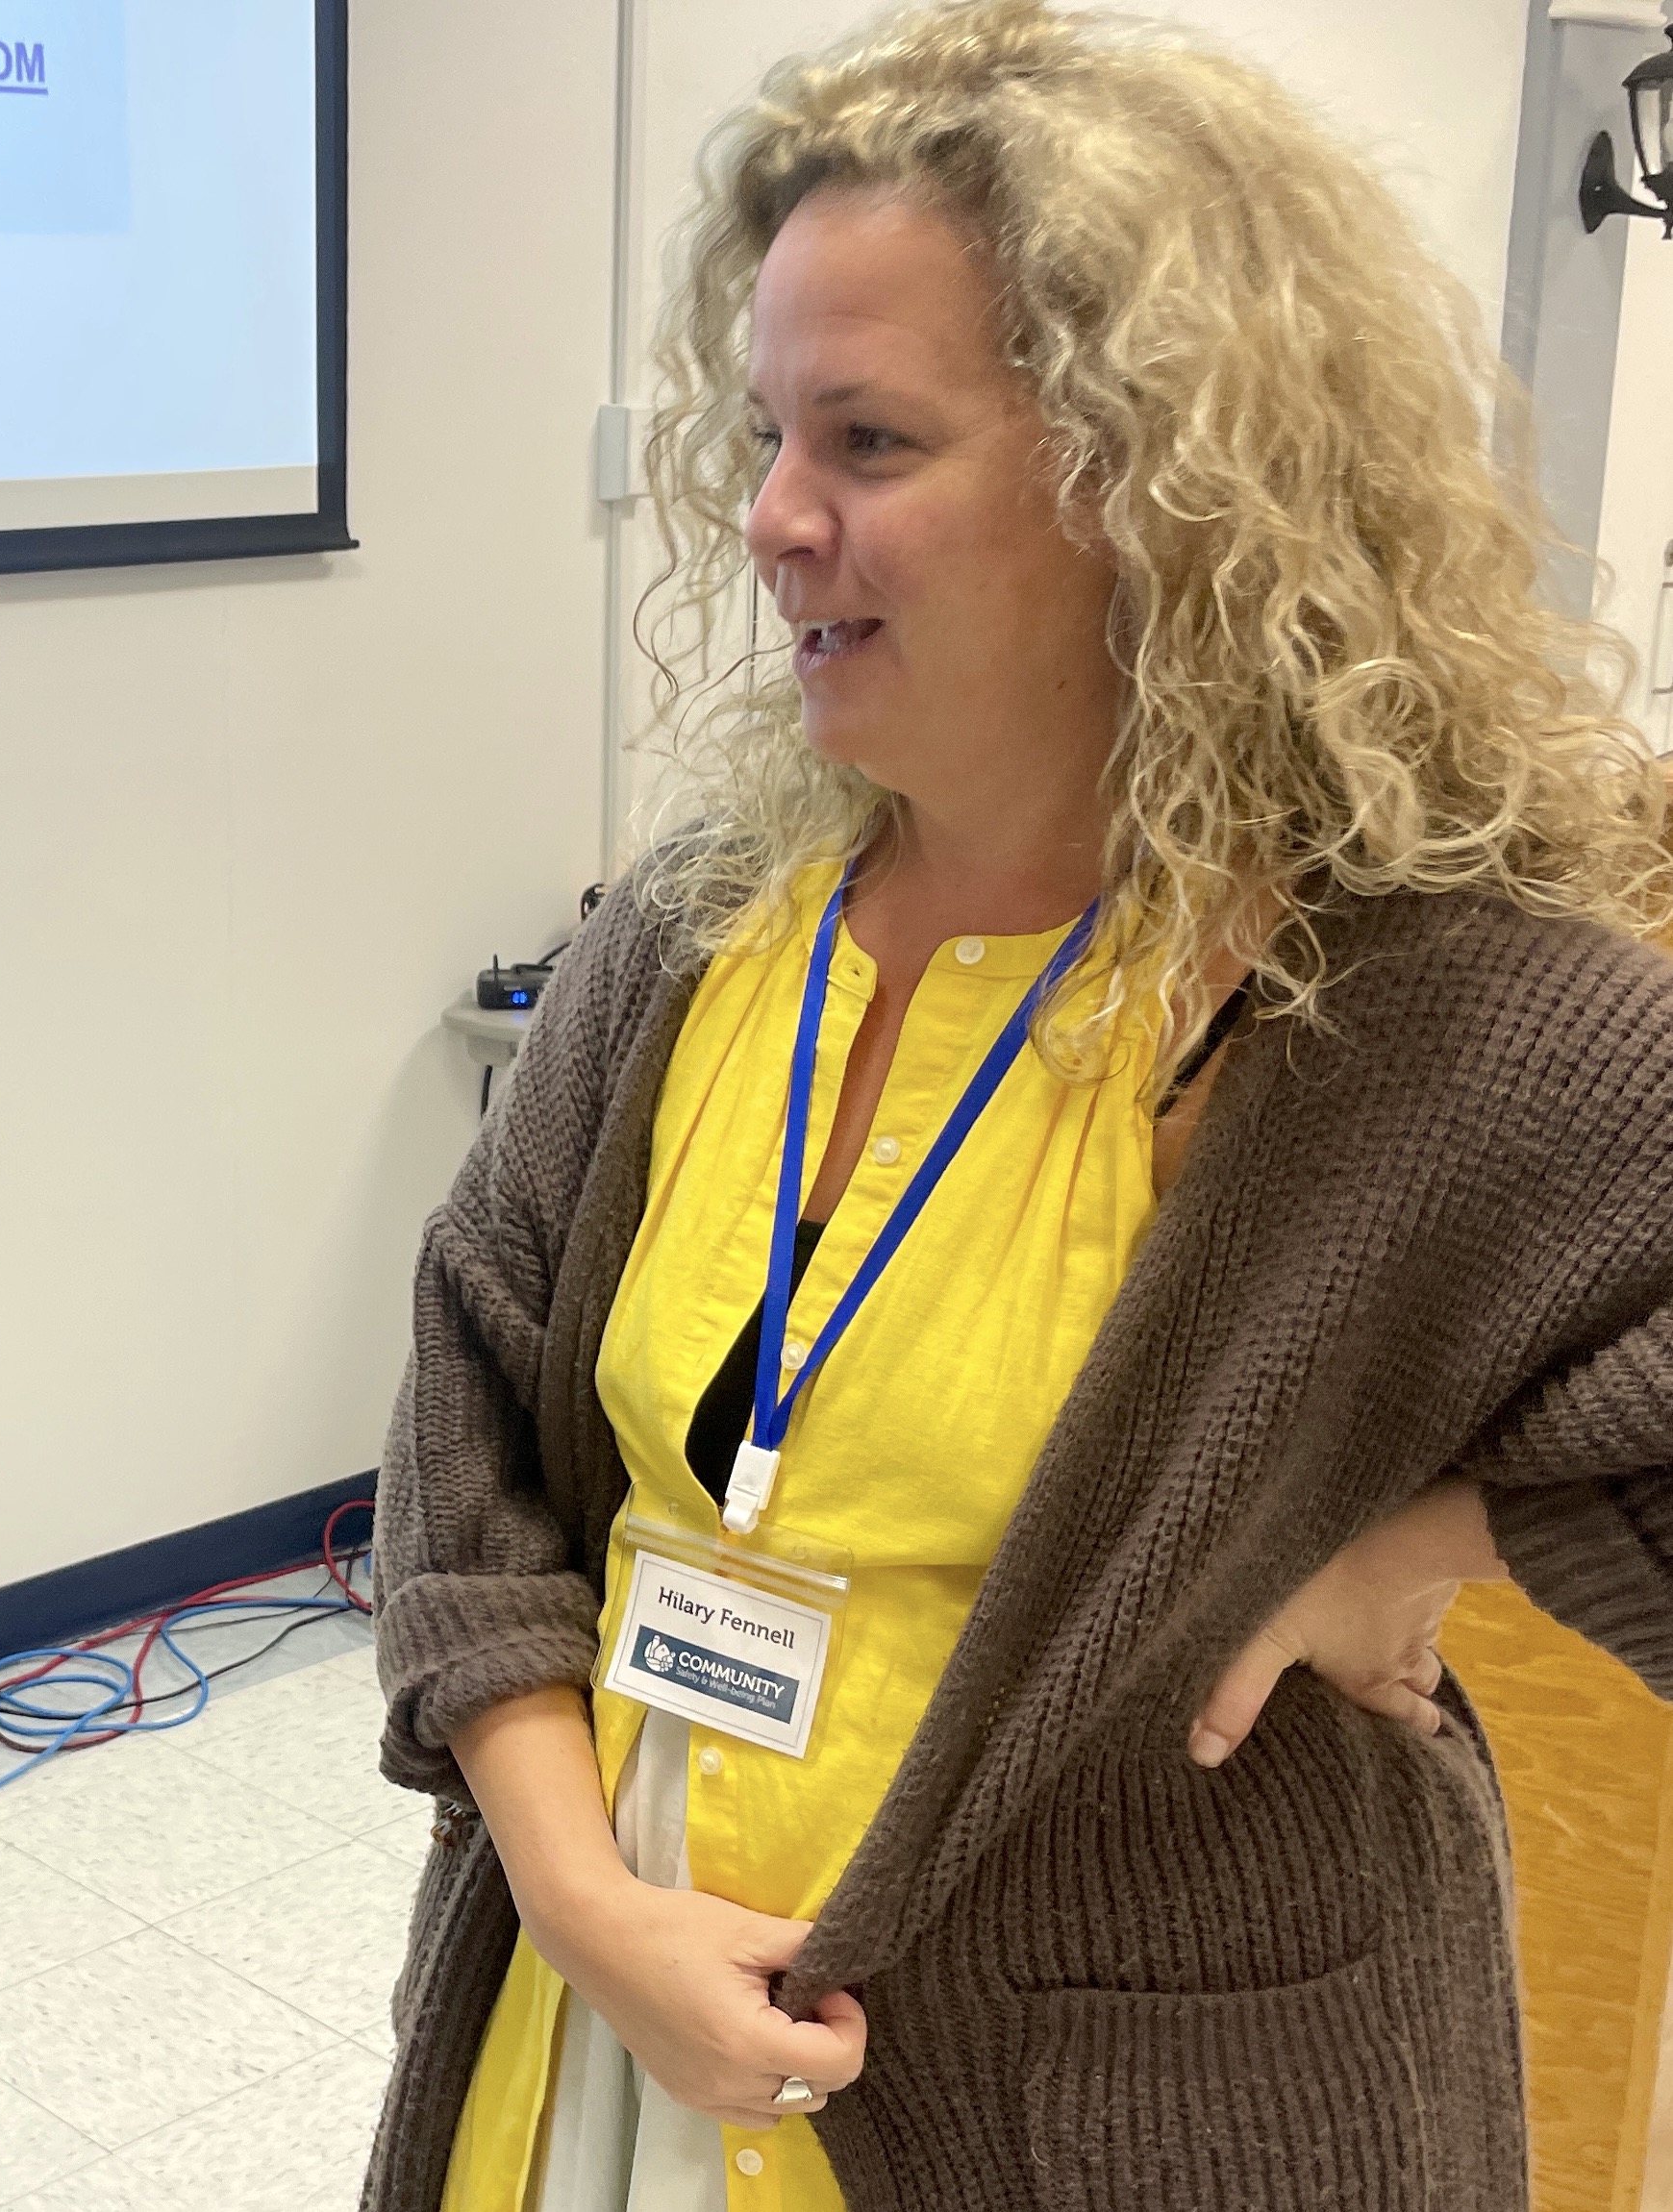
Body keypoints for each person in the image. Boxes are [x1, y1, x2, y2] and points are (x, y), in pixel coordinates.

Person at [362, 5, 1673, 2208]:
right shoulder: (697, 930)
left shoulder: (1427, 1016)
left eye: (867, 440)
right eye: (765, 433)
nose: (772, 520)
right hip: (601, 2044)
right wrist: (580, 1898)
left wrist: (1403, 1542)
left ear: (1167, 477)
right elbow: (467, 1408)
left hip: (1141, 2106)